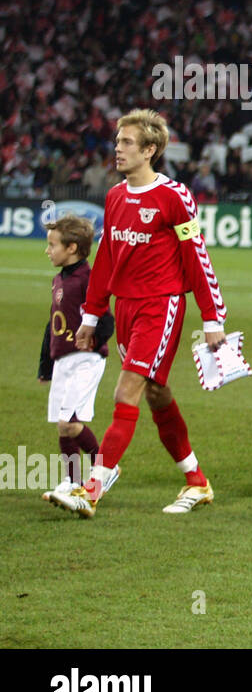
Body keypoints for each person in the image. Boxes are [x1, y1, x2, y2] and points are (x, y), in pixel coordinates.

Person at [49, 109, 229, 519]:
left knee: (125, 392)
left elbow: (196, 257)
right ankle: (197, 481)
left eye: (127, 142)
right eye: (117, 141)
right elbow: (108, 259)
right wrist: (91, 316)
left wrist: (212, 317)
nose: (117, 148)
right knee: (156, 392)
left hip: (160, 305)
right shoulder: (114, 197)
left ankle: (92, 488)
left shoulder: (175, 197)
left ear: (150, 150)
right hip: (125, 307)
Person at [38, 215, 114, 505]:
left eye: (52, 245)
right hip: (62, 361)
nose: (48, 250)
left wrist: (92, 343)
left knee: (70, 422)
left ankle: (105, 468)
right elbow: (51, 325)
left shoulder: (88, 280)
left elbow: (107, 321)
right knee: (62, 424)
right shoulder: (60, 279)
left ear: (72, 248)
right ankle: (72, 481)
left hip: (85, 360)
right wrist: (45, 365)